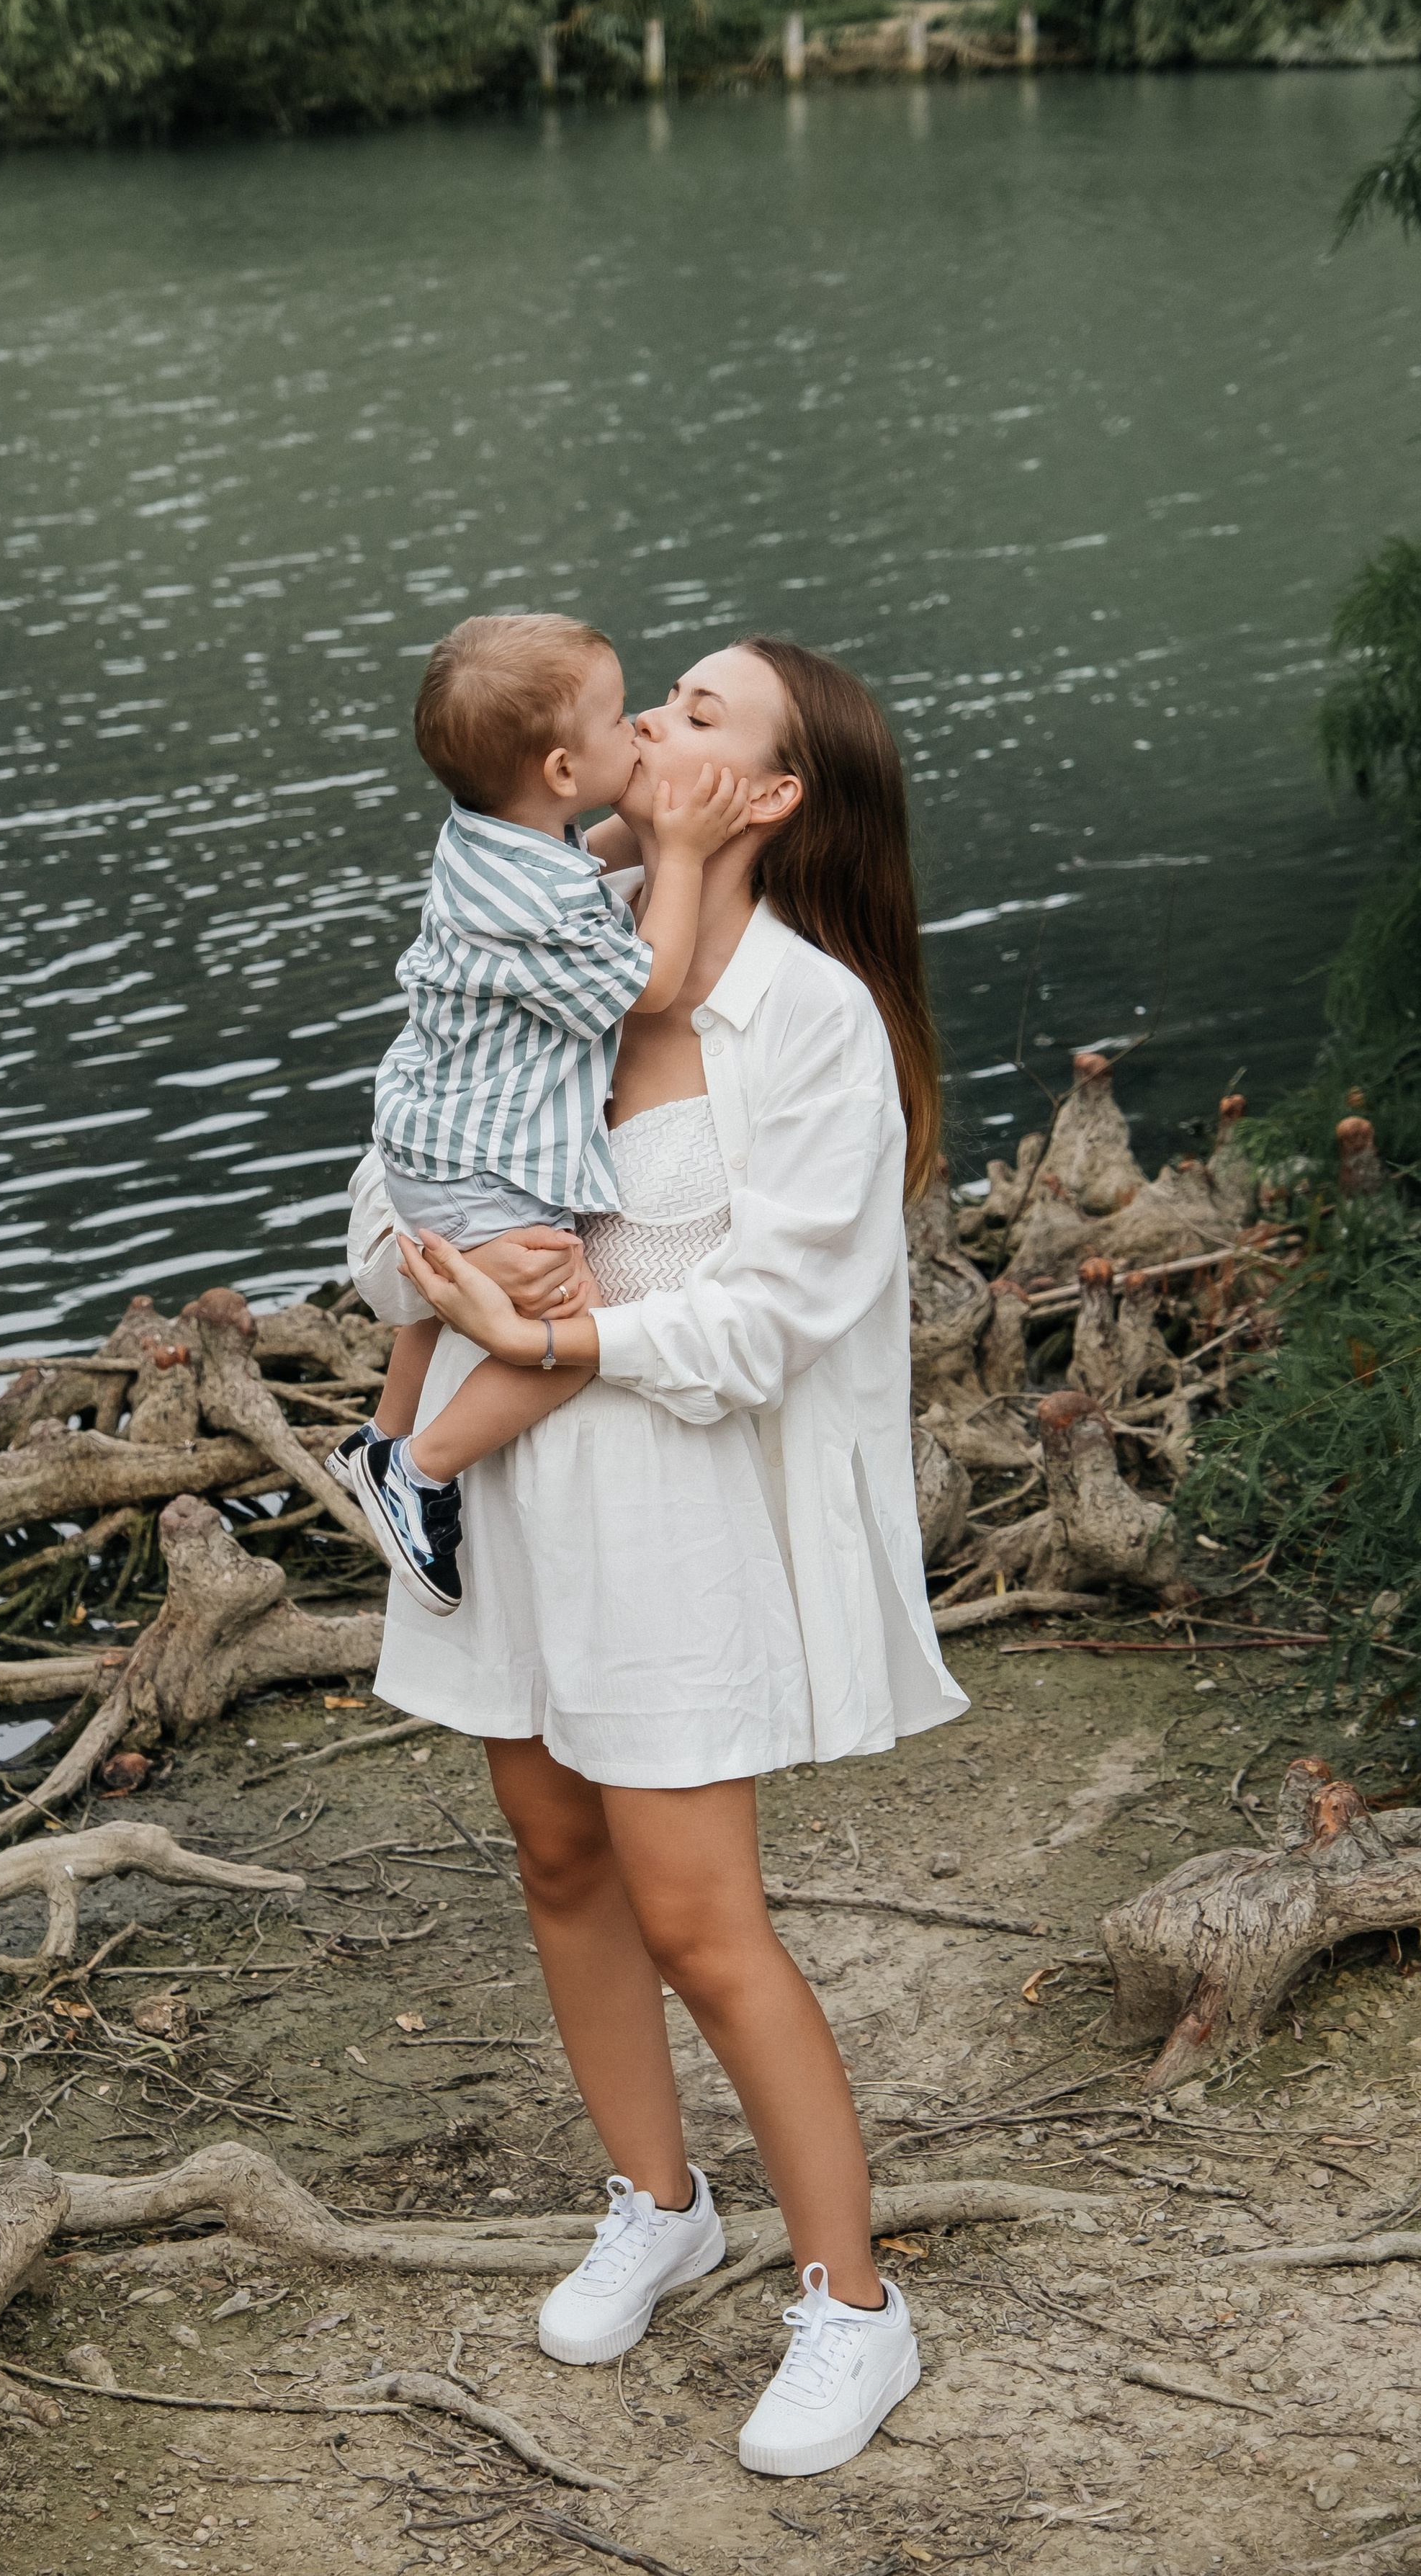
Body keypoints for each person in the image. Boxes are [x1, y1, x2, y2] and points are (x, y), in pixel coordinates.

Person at [345, 637, 967, 2480]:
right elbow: (392, 1178)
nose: (652, 729)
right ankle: (655, 2197)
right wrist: (436, 1281)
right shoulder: (538, 919)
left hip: (666, 1509)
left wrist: (554, 1343)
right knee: (553, 1858)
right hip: (504, 1504)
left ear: (767, 797)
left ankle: (852, 2305)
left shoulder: (806, 1015)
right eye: (655, 700)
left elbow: (775, 1314)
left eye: (699, 717)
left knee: (702, 1917)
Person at [333, 611, 750, 1616]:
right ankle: (421, 1470)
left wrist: (648, 826)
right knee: (570, 1324)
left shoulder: (495, 836)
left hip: (430, 1134)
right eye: (623, 720)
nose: (645, 729)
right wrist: (686, 854)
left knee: (447, 1293)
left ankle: (378, 1438)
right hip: (487, 1159)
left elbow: (589, 856)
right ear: (563, 771)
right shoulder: (546, 901)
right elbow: (649, 987)